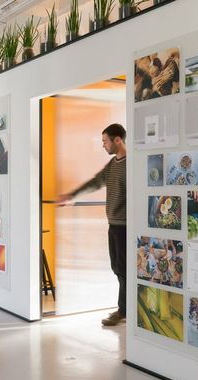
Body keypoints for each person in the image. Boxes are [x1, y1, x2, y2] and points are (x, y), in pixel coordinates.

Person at [58, 124, 127, 326]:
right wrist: (72, 195)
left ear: (117, 140)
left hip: (126, 226)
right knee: (117, 268)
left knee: (123, 269)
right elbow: (95, 182)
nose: (103, 145)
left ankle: (124, 310)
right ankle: (125, 309)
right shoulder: (113, 164)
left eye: (105, 141)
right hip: (113, 224)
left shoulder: (132, 164)